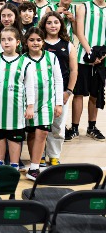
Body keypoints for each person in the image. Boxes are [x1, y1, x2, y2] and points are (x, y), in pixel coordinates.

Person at [0, 26, 35, 171]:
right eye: (3, 39)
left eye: (10, 39)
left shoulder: (26, 62)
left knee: (15, 137)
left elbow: (29, 86)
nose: (6, 42)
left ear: (18, 42)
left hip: (16, 108)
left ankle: (14, 166)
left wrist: (30, 106)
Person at [66, 0, 106, 142]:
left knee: (95, 95)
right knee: (79, 94)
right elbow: (79, 32)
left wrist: (102, 54)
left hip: (102, 58)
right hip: (83, 56)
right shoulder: (83, 7)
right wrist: (90, 52)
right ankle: (74, 128)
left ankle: (92, 126)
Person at [23, 27, 63, 180]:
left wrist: (58, 103)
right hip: (29, 103)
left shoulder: (51, 57)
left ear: (43, 42)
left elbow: (59, 80)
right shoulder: (23, 59)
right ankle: (35, 162)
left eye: (38, 40)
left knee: (43, 132)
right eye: (32, 40)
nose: (35, 43)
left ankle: (34, 168)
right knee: (32, 133)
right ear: (26, 42)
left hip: (47, 102)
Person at [40, 12, 78, 166]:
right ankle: (40, 154)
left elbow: (74, 70)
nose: (53, 25)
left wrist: (68, 91)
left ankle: (54, 155)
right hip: (41, 91)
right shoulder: (38, 42)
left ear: (61, 25)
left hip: (61, 93)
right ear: (44, 25)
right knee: (40, 125)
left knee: (58, 125)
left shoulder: (68, 45)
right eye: (49, 23)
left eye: (56, 22)